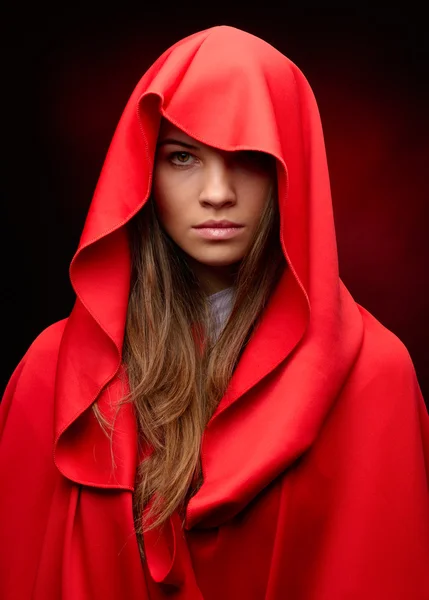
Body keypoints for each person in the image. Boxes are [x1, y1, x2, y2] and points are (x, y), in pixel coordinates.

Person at [1, 24, 428, 600]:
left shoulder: (374, 376)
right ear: (142, 172)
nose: (217, 193)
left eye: (247, 158)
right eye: (183, 158)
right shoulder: (52, 374)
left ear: (290, 169)